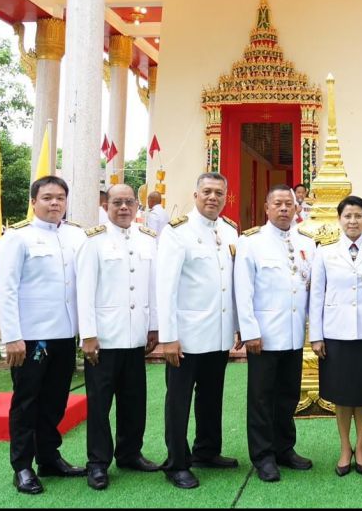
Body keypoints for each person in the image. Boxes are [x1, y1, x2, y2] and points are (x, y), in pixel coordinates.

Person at [0, 176, 88, 495]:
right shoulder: (18, 237)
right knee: (27, 401)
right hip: (32, 336)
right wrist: (12, 336)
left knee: (55, 400)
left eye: (60, 197)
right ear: (33, 201)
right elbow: (6, 289)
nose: (54, 203)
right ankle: (22, 466)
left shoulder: (76, 235)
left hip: (65, 333)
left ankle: (49, 457)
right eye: (47, 197)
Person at [156, 172, 242, 490]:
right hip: (187, 336)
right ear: (195, 195)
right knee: (178, 401)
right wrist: (168, 337)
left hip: (217, 333)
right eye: (206, 191)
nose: (212, 198)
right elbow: (165, 287)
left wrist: (236, 326)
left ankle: (207, 450)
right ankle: (177, 463)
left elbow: (231, 284)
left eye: (219, 193)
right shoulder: (177, 232)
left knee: (211, 396)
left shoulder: (229, 230)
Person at [76, 184, 161, 491]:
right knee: (100, 405)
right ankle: (98, 463)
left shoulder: (147, 239)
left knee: (134, 400)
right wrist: (88, 335)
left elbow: (152, 286)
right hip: (105, 338)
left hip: (135, 336)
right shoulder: (93, 240)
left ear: (137, 206)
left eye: (129, 202)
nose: (124, 207)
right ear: (106, 206)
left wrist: (154, 326)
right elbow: (84, 291)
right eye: (117, 202)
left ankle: (130, 453)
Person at [234, 185, 316, 482]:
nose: (283, 209)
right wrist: (249, 331)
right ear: (267, 208)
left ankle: (284, 448)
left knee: (288, 395)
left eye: (288, 204)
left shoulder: (307, 242)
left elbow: (310, 289)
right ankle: (263, 455)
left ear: (296, 208)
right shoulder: (251, 242)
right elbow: (243, 290)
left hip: (293, 334)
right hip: (264, 336)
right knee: (261, 398)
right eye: (277, 204)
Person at [310, 196, 362, 476]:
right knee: (342, 394)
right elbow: (317, 295)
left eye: (358, 215)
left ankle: (361, 446)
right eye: (347, 216)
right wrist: (316, 335)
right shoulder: (325, 252)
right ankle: (345, 447)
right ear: (339, 220)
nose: (353, 221)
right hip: (336, 334)